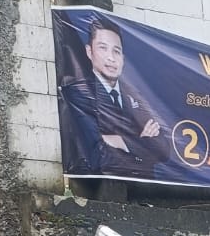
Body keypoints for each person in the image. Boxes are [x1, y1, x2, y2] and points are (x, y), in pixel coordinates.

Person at [59, 15, 173, 178]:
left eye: (116, 51)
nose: (111, 58)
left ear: (123, 59)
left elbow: (164, 149)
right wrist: (141, 144)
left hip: (144, 191)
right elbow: (98, 157)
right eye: (103, 48)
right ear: (89, 52)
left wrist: (122, 142)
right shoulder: (79, 92)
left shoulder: (135, 95)